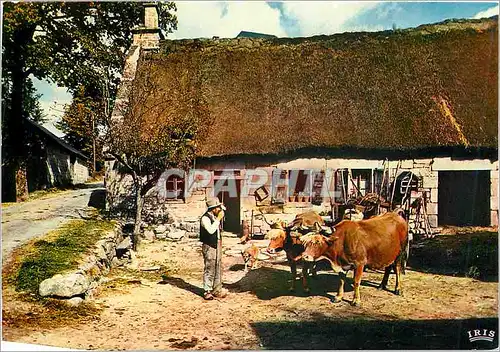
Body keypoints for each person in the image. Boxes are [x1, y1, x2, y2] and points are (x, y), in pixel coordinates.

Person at [200, 197, 229, 300]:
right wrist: (218, 219)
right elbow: (211, 230)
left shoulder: (213, 216)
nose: (220, 211)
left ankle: (217, 289)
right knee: (210, 268)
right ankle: (207, 291)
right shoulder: (205, 218)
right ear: (213, 208)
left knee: (217, 267)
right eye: (218, 208)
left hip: (217, 244)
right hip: (209, 246)